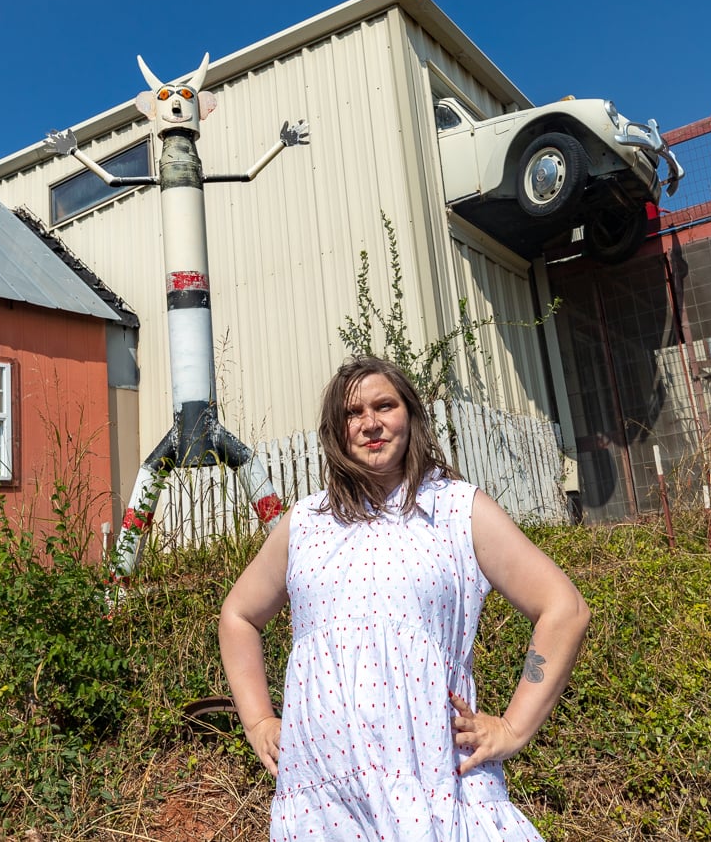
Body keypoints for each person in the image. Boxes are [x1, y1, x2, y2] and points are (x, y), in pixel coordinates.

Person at [219, 356, 591, 839]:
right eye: (354, 413)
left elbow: (565, 608)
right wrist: (258, 723)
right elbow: (238, 616)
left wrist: (514, 728)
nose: (370, 423)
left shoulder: (458, 509)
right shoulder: (305, 523)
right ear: (336, 429)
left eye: (384, 406)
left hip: (431, 783)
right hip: (322, 797)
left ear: (410, 415)